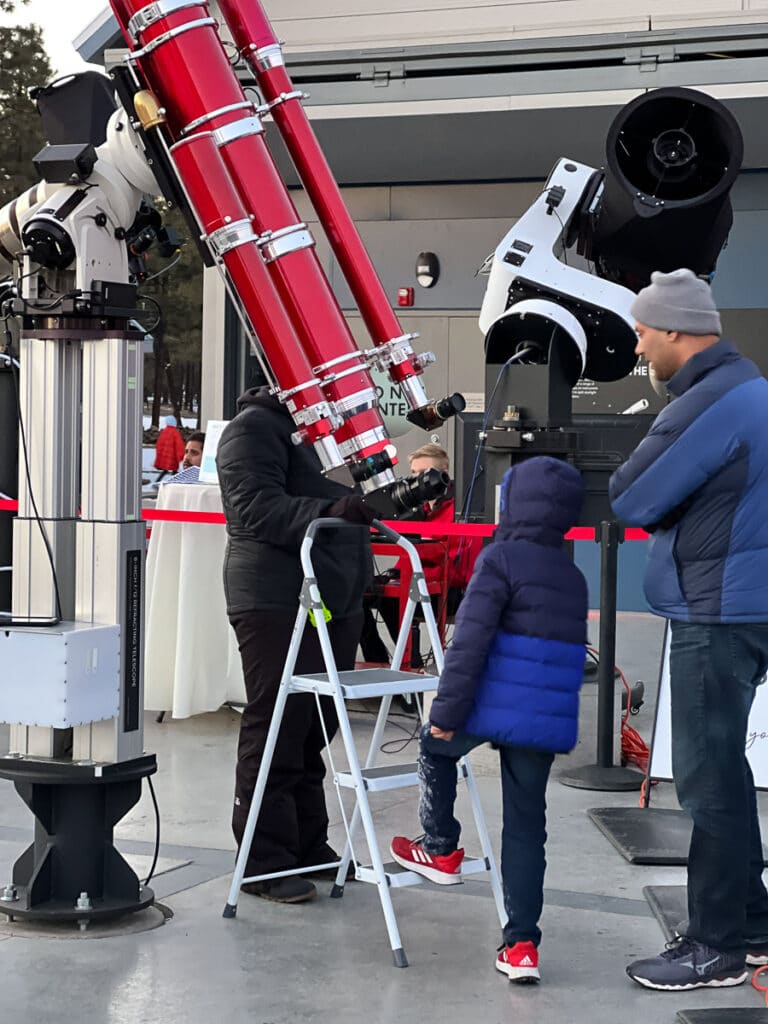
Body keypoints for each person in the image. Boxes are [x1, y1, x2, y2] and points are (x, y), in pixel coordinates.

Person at [609, 268, 768, 991]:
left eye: (644, 332)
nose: (639, 345)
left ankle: (715, 949)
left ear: (676, 330)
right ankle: (754, 927)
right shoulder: (752, 390)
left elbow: (633, 496)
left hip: (718, 612)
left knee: (709, 786)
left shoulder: (710, 401)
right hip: (747, 602)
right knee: (728, 776)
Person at [390, 456, 588, 983]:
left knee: (435, 750)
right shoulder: (571, 574)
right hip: (541, 719)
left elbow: (470, 644)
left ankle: (440, 847)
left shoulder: (499, 558)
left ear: (513, 502)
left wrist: (446, 715)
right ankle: (522, 945)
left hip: (491, 704)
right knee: (527, 826)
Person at [216, 386, 375, 904]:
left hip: (334, 592)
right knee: (278, 721)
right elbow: (256, 509)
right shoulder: (253, 429)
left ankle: (307, 843)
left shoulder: (326, 430)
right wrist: (337, 509)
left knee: (314, 726)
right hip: (275, 595)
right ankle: (263, 860)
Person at [359, 443, 482, 667]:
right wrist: (393, 573)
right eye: (414, 473)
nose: (416, 481)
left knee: (393, 599)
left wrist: (413, 572)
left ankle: (409, 667)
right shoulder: (418, 510)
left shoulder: (461, 511)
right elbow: (410, 552)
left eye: (422, 474)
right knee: (361, 596)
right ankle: (378, 662)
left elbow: (454, 562)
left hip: (449, 591)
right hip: (417, 582)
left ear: (443, 475)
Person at [153, 414, 185, 482]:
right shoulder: (175, 432)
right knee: (174, 470)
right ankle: (174, 482)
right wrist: (181, 455)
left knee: (166, 470)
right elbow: (179, 445)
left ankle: (158, 481)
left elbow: (159, 444)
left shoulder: (164, 432)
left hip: (166, 456)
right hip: (172, 456)